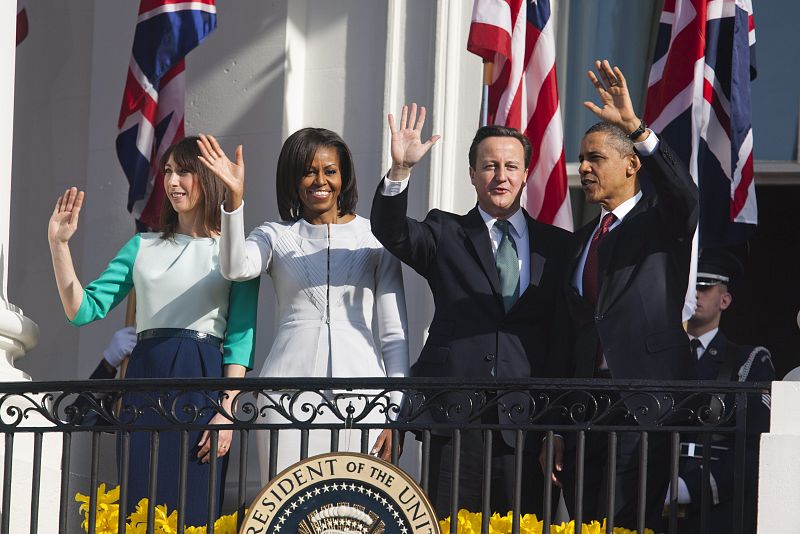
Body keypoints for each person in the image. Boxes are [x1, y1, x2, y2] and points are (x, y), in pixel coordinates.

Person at [369, 104, 571, 517]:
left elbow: (563, 338)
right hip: (455, 417)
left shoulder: (558, 246)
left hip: (528, 422)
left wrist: (557, 426)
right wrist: (400, 171)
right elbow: (390, 231)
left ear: (525, 173)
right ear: (473, 175)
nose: (501, 176)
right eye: (490, 166)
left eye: (511, 166)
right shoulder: (445, 232)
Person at [47, 136, 259, 526]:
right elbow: (82, 310)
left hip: (204, 382)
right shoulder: (140, 246)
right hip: (143, 381)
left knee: (196, 506)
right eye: (168, 172)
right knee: (140, 504)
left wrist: (227, 409)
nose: (172, 181)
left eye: (184, 171)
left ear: (208, 177)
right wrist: (59, 246)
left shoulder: (235, 253)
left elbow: (240, 338)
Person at [196, 129, 409, 482]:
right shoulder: (274, 235)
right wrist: (234, 201)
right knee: (288, 510)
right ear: (293, 180)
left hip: (365, 400)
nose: (320, 181)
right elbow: (235, 267)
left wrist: (395, 411)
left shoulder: (374, 238)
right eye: (309, 171)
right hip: (285, 399)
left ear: (344, 177)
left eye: (330, 171)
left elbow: (393, 333)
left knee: (353, 513)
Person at [548, 60, 699, 529]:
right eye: (582, 158)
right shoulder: (581, 241)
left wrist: (636, 127)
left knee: (628, 523)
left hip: (643, 410)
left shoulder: (660, 222)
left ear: (632, 164)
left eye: (595, 158)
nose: (584, 167)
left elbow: (686, 195)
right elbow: (570, 332)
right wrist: (555, 424)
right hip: (582, 414)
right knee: (586, 522)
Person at [670, 247, 774, 533]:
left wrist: (691, 487)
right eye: (691, 286)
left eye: (704, 287)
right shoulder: (659, 356)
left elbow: (752, 444)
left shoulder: (748, 361)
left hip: (716, 508)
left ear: (724, 300)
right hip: (654, 496)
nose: (696, 294)